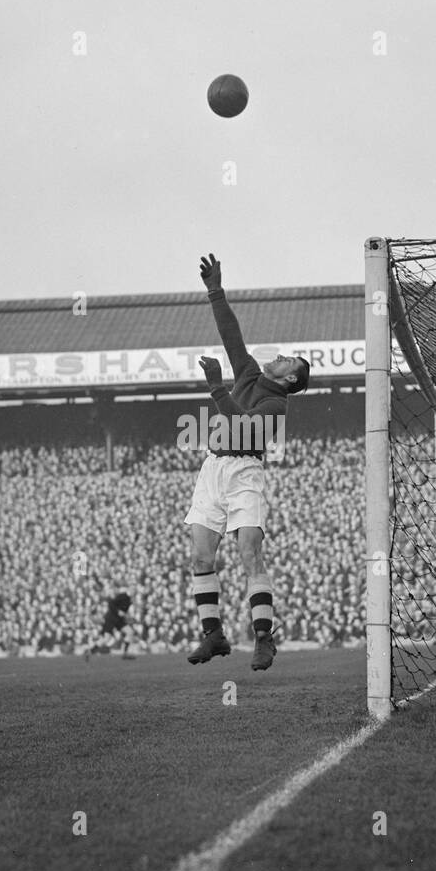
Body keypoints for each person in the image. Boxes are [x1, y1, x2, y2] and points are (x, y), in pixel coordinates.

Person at [184, 252, 311, 672]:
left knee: (249, 554)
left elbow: (242, 430)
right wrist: (215, 290)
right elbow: (230, 334)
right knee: (202, 557)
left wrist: (218, 390)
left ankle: (263, 639)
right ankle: (214, 636)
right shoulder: (251, 372)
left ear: (291, 378)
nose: (282, 356)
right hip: (213, 468)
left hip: (243, 472)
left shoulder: (277, 406)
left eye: (289, 360)